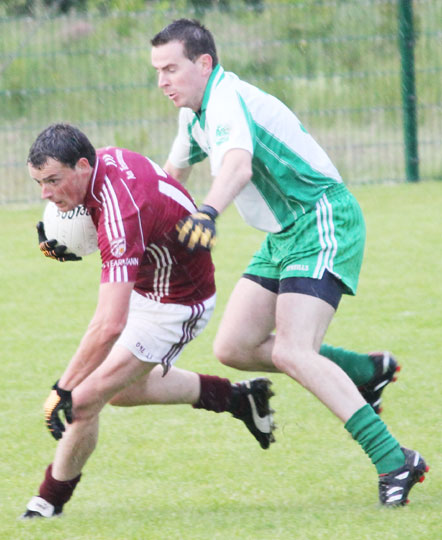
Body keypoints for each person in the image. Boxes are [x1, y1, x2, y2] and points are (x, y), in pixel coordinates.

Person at [150, 18, 429, 506]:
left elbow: (236, 164)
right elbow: (169, 179)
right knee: (235, 346)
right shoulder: (194, 115)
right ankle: (365, 371)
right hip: (283, 235)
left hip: (321, 218)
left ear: (204, 64)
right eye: (157, 71)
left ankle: (394, 459)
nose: (163, 82)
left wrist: (208, 212)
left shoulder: (227, 101)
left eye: (171, 69)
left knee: (293, 351)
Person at [21, 123, 276, 519]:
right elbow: (116, 221)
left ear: (83, 166)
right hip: (150, 279)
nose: (46, 194)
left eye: (53, 181)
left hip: (176, 301)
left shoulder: (123, 210)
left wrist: (63, 388)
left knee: (85, 400)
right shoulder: (103, 159)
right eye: (40, 183)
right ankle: (240, 398)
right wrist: (65, 235)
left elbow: (109, 324)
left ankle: (47, 502)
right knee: (121, 390)